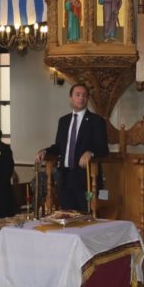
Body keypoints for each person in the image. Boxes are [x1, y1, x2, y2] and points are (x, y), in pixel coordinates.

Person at [34, 83, 109, 211]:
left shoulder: (96, 121)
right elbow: (58, 147)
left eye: (84, 95)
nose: (81, 98)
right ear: (71, 98)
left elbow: (103, 148)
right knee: (68, 217)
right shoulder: (63, 121)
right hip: (65, 177)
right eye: (78, 95)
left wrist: (90, 153)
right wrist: (45, 151)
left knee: (86, 218)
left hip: (85, 179)